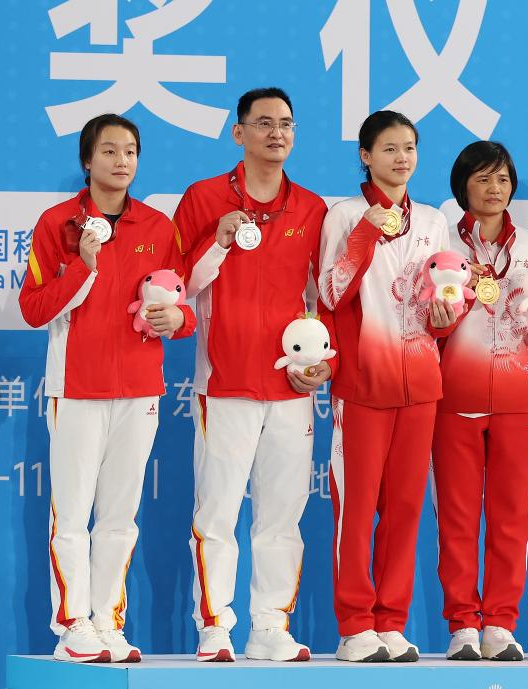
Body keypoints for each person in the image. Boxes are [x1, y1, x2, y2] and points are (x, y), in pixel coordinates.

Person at [19, 113, 196, 663]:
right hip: (75, 389)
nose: (122, 162)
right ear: (87, 160)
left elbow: (182, 306)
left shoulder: (157, 226)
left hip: (141, 389)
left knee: (120, 515)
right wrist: (83, 266)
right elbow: (33, 309)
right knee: (71, 514)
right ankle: (73, 626)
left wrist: (178, 322)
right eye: (110, 152)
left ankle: (107, 623)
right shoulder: (57, 225)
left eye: (131, 152)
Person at [175, 87, 332, 662]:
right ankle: (214, 624)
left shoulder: (313, 209)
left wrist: (321, 363)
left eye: (286, 124)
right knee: (217, 511)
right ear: (237, 133)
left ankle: (270, 625)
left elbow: (323, 302)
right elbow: (176, 288)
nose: (276, 133)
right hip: (224, 384)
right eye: (263, 123)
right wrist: (215, 243)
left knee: (282, 515)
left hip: (291, 390)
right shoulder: (203, 198)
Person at [318, 110, 458, 663]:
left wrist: (449, 310)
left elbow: (443, 301)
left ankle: (391, 621)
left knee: (404, 507)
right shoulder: (344, 214)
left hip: (421, 382)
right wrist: (365, 234)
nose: (402, 158)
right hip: (363, 383)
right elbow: (330, 292)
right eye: (390, 148)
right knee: (355, 509)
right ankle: (355, 624)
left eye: (410, 148)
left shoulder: (431, 220)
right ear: (366, 155)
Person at [432, 141, 528, 662]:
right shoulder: (439, 244)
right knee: (458, 519)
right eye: (484, 179)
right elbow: (424, 318)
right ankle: (463, 623)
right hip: (454, 397)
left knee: (512, 516)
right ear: (463, 184)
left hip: (520, 399)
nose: (495, 190)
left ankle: (501, 624)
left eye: (503, 179)